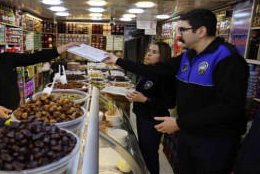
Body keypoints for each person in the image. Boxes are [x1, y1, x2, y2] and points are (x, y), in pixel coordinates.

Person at [104, 9, 249, 174]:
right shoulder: (187, 56)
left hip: (215, 141)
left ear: (201, 31)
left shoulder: (228, 58)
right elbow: (154, 70)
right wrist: (117, 60)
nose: (178, 35)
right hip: (188, 133)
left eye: (182, 30)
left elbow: (229, 107)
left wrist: (179, 123)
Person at [125, 42, 176, 174]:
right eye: (149, 51)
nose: (148, 54)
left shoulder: (166, 77)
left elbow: (169, 103)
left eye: (154, 52)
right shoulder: (148, 71)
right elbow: (144, 92)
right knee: (143, 149)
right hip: (142, 116)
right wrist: (135, 95)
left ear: (163, 56)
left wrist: (145, 99)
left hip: (152, 120)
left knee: (150, 154)